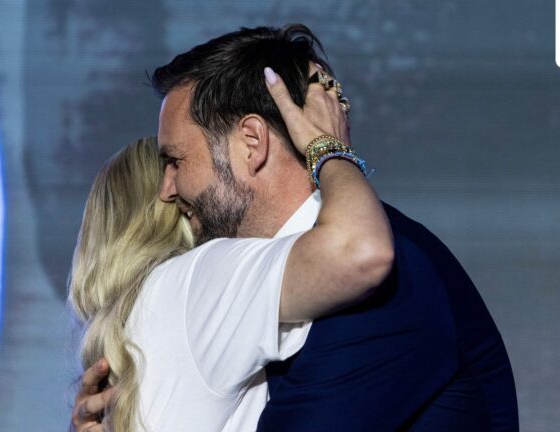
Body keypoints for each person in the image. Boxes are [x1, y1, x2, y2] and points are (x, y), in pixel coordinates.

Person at [74, 24, 519, 431]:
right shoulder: (284, 282)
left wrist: (328, 149)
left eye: (176, 160)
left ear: (252, 143)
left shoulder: (388, 283)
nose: (167, 189)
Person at [69, 62, 393, 431]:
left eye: (177, 163)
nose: (171, 187)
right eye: (170, 164)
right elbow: (358, 250)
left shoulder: (136, 323)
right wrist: (328, 146)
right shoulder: (196, 280)